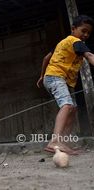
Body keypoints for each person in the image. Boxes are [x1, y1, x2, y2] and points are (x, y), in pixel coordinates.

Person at [36, 15, 94, 155]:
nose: (85, 35)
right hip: (56, 78)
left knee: (72, 110)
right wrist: (46, 76)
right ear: (73, 29)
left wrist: (42, 75)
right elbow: (90, 56)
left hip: (57, 79)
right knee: (67, 106)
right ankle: (55, 141)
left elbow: (46, 58)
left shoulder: (62, 43)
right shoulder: (76, 41)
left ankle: (63, 143)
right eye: (83, 30)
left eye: (88, 33)